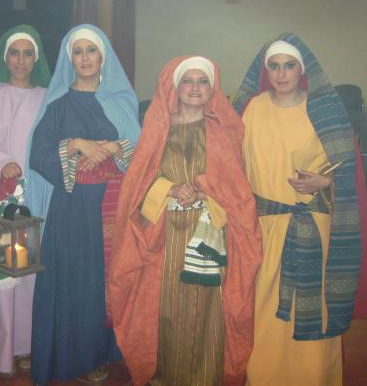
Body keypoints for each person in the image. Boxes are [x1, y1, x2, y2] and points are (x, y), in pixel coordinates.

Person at [110, 56, 262, 386]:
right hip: (164, 236)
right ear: (175, 88)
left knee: (207, 311)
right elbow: (138, 186)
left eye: (202, 81)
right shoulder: (158, 130)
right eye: (187, 81)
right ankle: (165, 377)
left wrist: (206, 192)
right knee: (166, 309)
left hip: (211, 236)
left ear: (213, 88)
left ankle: (206, 377)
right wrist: (171, 188)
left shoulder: (223, 132)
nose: (195, 88)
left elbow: (237, 191)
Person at [232, 33, 367, 385]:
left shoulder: (324, 110)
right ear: (265, 71)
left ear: (302, 69)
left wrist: (326, 181)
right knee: (264, 310)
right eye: (274, 66)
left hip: (314, 227)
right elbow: (229, 162)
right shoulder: (251, 109)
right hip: (264, 226)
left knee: (315, 308)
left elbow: (348, 171)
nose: (281, 73)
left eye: (289, 65)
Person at [26, 24, 141, 385]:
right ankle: (70, 355)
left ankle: (104, 353)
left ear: (102, 56)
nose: (85, 58)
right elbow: (38, 155)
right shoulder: (58, 106)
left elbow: (143, 151)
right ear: (69, 58)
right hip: (72, 209)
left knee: (107, 279)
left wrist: (114, 147)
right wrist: (75, 144)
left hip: (113, 208)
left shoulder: (122, 102)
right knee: (75, 280)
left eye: (92, 50)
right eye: (78, 51)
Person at [0, 24, 52, 376]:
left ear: (37, 58)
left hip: (34, 197)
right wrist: (1, 163)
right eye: (15, 53)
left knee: (28, 274)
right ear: (5, 57)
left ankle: (25, 346)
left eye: (28, 53)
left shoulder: (47, 97)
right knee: (4, 275)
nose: (21, 61)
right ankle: (0, 349)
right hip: (2, 198)